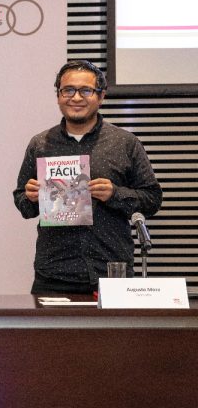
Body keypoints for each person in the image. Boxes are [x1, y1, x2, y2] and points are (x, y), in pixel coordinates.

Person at [13, 60, 162, 294]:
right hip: (54, 274)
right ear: (58, 96)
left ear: (101, 96)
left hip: (112, 271)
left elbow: (152, 199)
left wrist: (115, 194)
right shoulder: (40, 144)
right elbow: (23, 203)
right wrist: (30, 197)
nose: (76, 98)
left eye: (85, 90)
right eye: (68, 90)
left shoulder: (125, 143)